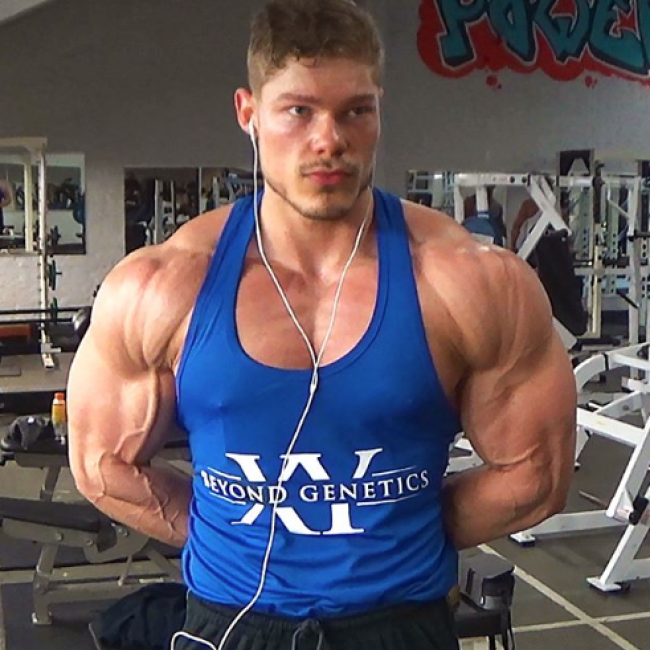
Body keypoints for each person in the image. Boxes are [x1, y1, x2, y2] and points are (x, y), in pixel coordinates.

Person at [67, 1, 577, 649]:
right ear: (249, 113)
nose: (329, 139)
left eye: (356, 111)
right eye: (299, 111)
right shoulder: (161, 286)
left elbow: (537, 474)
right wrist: (227, 535)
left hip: (399, 628)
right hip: (232, 625)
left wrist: (402, 534)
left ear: (380, 110)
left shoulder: (472, 281)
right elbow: (102, 463)